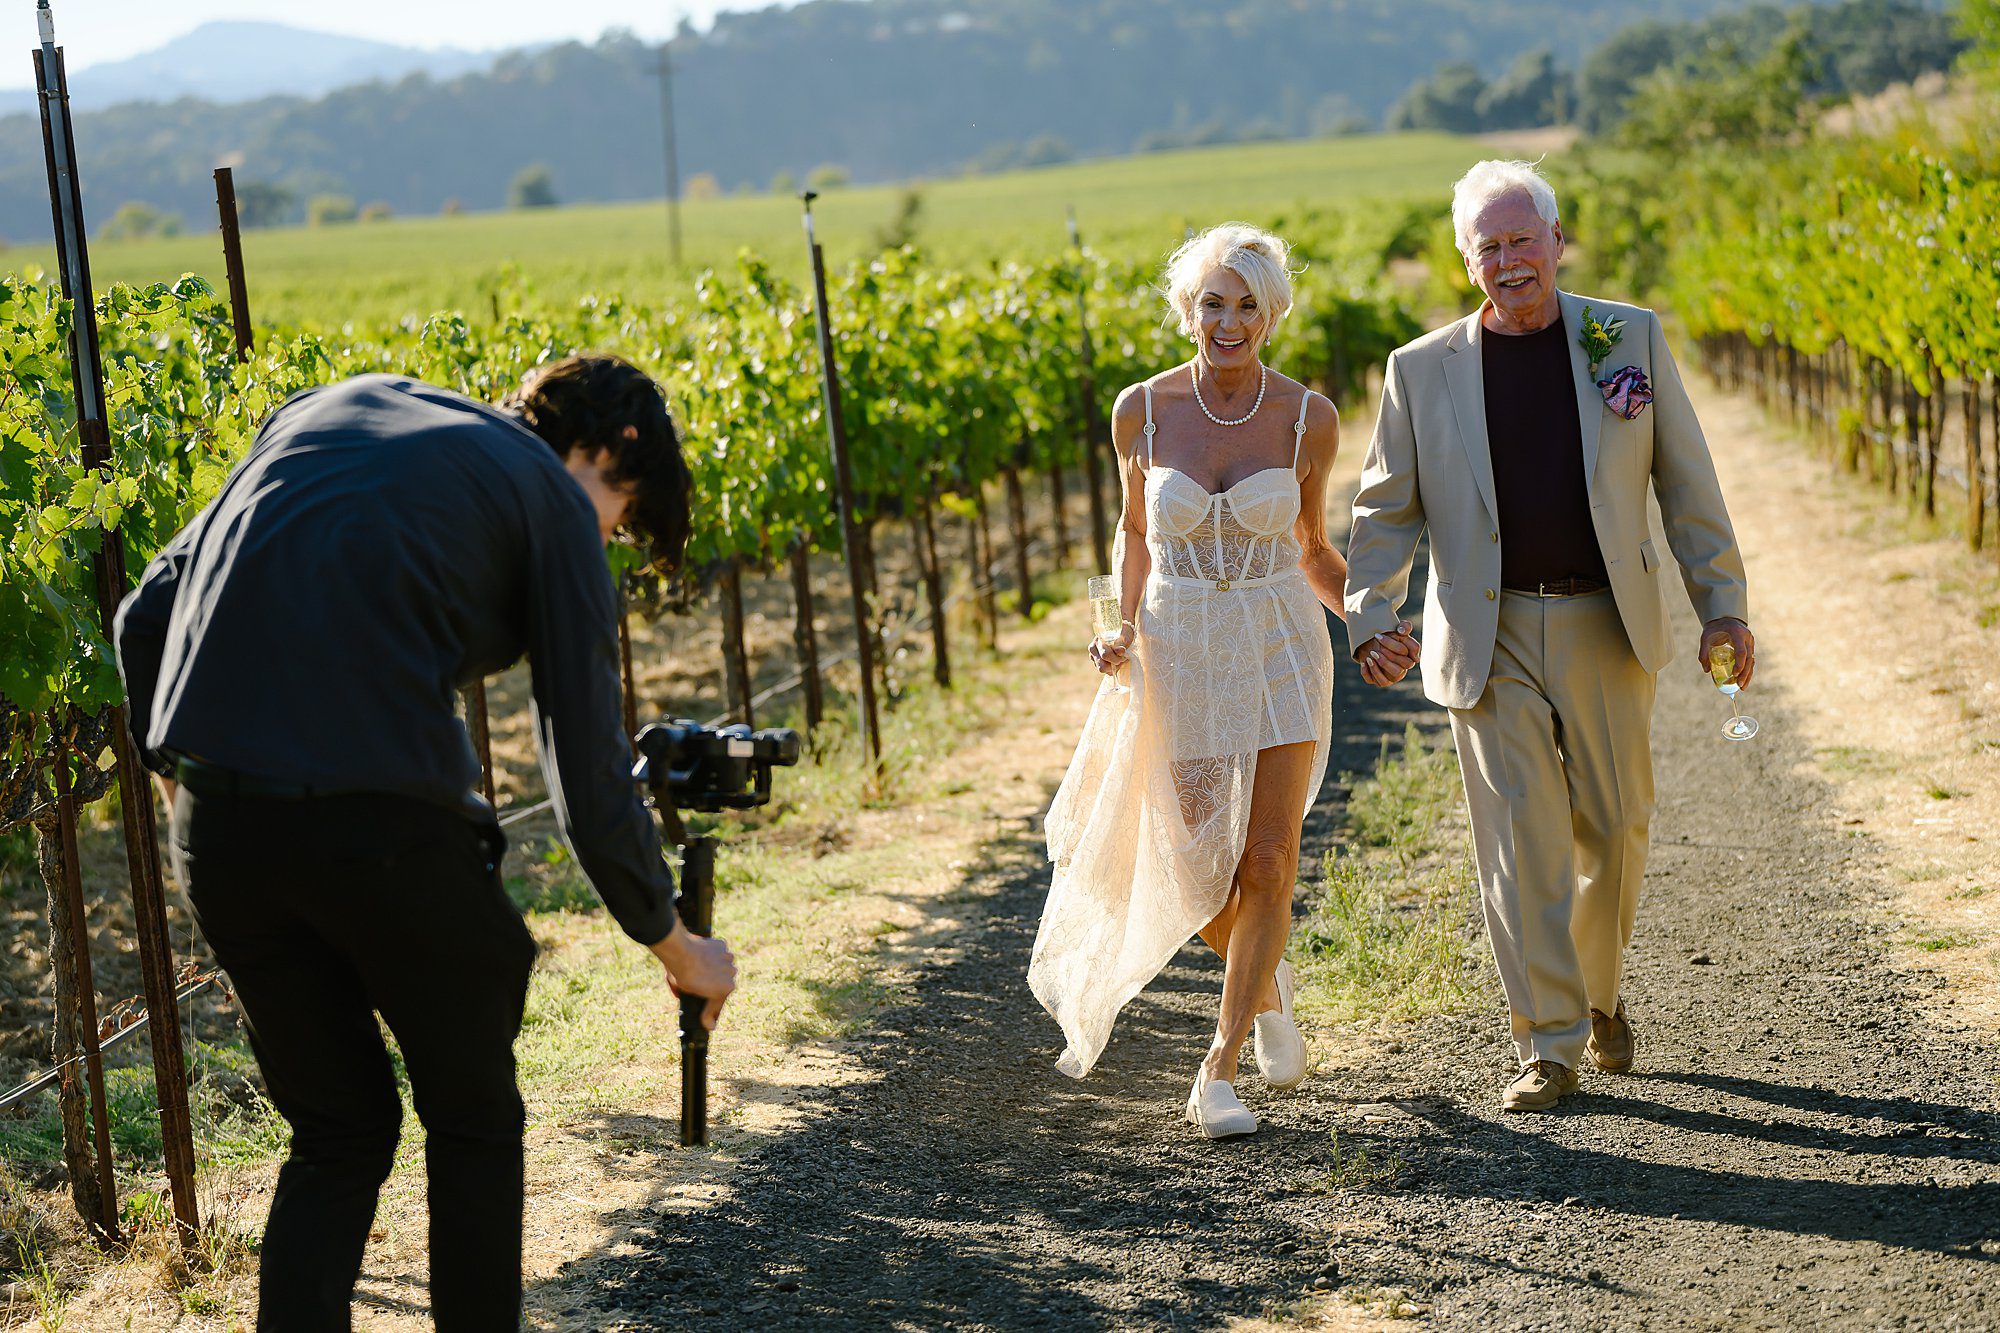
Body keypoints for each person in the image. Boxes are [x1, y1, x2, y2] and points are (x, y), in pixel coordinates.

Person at [114, 357, 738, 1330]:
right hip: (383, 829)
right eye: (623, 511)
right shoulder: (552, 499)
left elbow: (146, 614)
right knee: (472, 1116)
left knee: (338, 1130)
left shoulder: (330, 406)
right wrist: (675, 944)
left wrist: (188, 784)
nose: (609, 535)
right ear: (611, 449)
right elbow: (582, 763)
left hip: (220, 831)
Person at [1344, 160, 1752, 1112]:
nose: (1507, 259)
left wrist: (1721, 602)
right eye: (1487, 244)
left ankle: (1598, 996)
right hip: (1486, 633)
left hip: (1605, 616)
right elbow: (1383, 510)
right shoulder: (1420, 369)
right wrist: (1372, 614)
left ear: (1558, 242)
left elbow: (1686, 481)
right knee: (1520, 841)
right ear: (1465, 259)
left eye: (1522, 238)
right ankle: (1548, 1042)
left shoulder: (1626, 338)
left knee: (1615, 829)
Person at [1031, 224, 1385, 1139]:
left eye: (1249, 306)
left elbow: (1309, 548)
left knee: (1268, 857)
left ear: (1272, 315)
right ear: (1187, 310)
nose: (1230, 322)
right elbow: (1135, 533)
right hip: (1179, 640)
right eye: (1214, 303)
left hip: (1277, 637)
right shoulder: (1140, 412)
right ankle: (1267, 986)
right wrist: (1114, 622)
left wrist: (1374, 623)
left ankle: (1216, 1069)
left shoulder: (1310, 416)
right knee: (1193, 867)